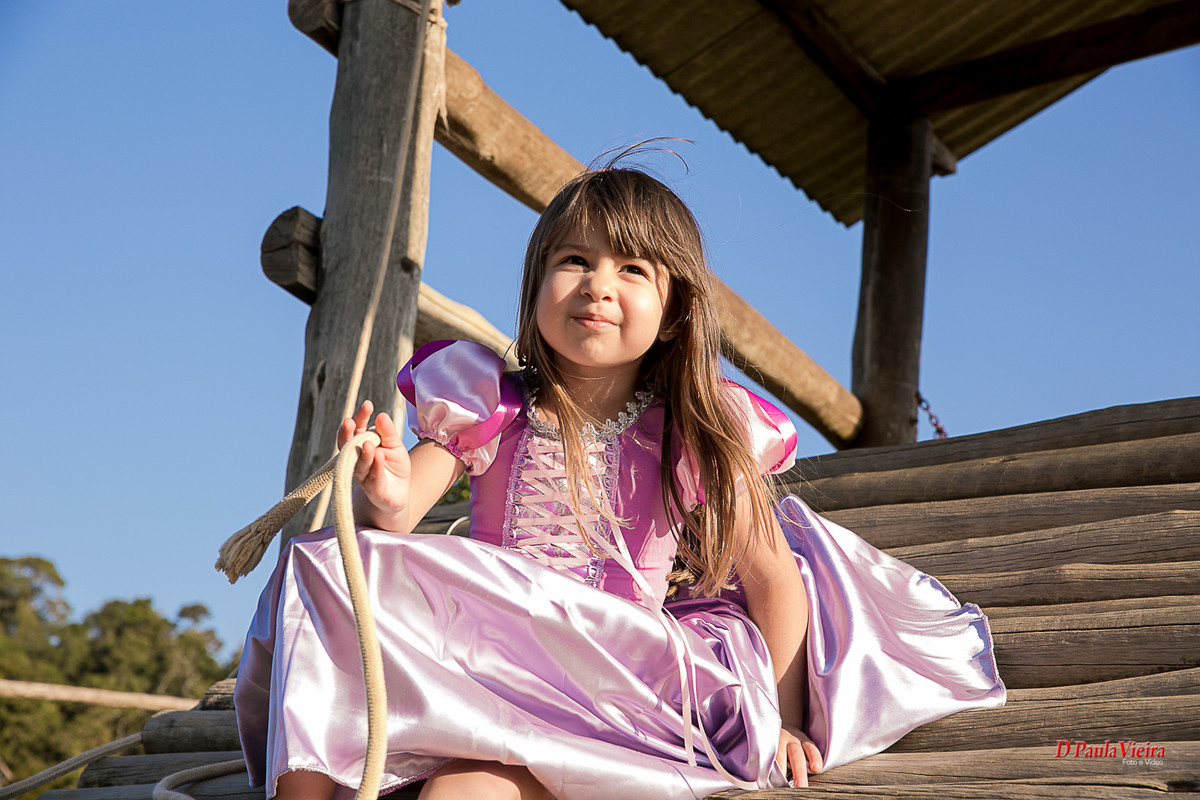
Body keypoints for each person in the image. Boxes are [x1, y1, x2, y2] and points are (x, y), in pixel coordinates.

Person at [234, 165, 1005, 800]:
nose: (598, 285)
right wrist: (386, 483)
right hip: (491, 668)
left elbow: (772, 579)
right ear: (536, 290)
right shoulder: (491, 404)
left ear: (671, 315)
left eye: (631, 269)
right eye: (573, 261)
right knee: (326, 563)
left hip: (620, 681)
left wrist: (783, 719)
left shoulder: (697, 430)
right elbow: (394, 523)